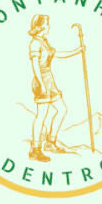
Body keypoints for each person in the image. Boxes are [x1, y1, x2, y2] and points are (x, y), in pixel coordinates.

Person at [28, 14, 84, 162]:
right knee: (42, 115)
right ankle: (35, 149)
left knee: (62, 109)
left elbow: (57, 54)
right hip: (42, 81)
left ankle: (50, 142)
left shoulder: (44, 41)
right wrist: (41, 84)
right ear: (40, 26)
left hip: (50, 81)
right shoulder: (35, 43)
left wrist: (77, 51)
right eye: (47, 23)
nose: (49, 26)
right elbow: (35, 65)